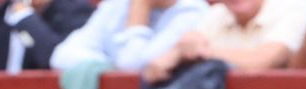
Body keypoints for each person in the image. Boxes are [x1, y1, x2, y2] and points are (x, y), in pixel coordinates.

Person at [143, 0, 306, 82]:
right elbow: (158, 66)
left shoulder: (294, 6)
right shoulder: (215, 14)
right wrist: (178, 51)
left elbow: (264, 60)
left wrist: (202, 53)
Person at [48, 0, 207, 73]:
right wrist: (108, 68)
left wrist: (140, 9)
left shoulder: (193, 12)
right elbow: (61, 56)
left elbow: (132, 67)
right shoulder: (117, 4)